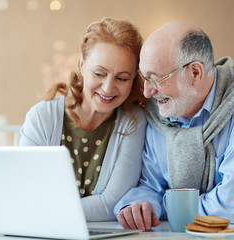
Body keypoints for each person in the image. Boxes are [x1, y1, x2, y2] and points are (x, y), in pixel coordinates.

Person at [114, 20, 234, 230]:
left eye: (156, 78)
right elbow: (150, 185)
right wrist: (140, 207)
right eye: (145, 78)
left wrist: (166, 207)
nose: (147, 92)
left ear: (195, 72)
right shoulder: (159, 111)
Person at [19, 17, 147, 221]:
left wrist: (45, 212)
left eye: (122, 78)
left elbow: (111, 203)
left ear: (134, 79)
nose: (108, 88)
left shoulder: (133, 121)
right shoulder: (42, 117)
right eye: (99, 73)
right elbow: (25, 193)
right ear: (82, 65)